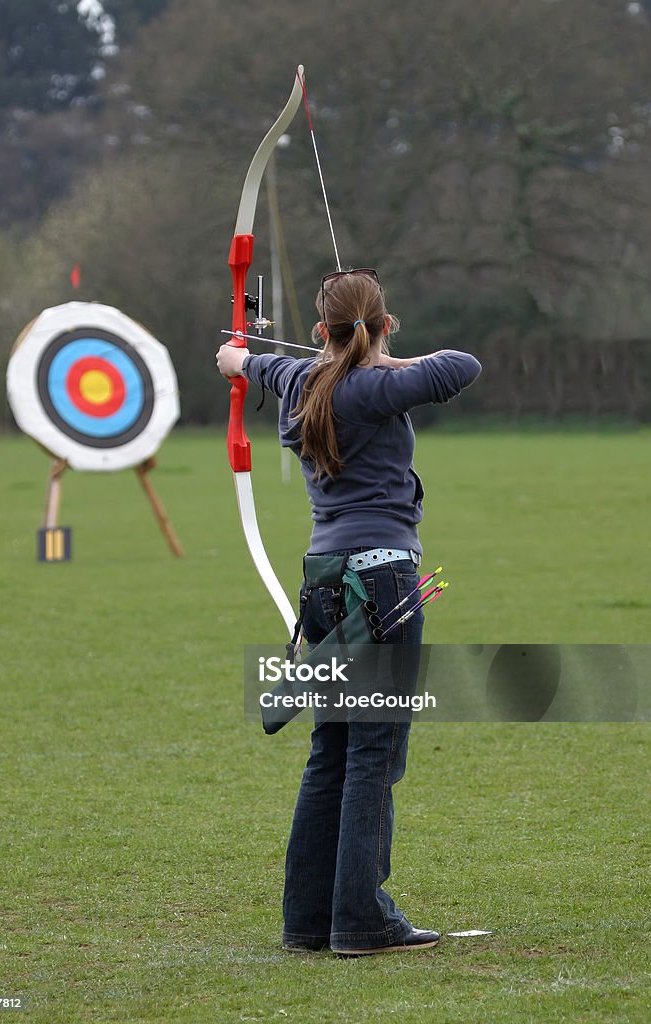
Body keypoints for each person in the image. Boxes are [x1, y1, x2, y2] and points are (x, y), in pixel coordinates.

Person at [216, 268, 481, 956]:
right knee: (372, 755)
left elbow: (256, 363)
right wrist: (383, 357)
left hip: (325, 584)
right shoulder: (377, 384)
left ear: (319, 331)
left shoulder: (302, 382)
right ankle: (361, 920)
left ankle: (308, 921)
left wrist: (242, 358)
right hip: (384, 586)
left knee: (330, 751)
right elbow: (462, 366)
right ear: (382, 326)